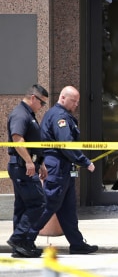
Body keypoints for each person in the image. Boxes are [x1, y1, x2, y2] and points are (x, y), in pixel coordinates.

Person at [27, 86, 98, 254]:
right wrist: (85, 162)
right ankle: (25, 239)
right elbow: (66, 144)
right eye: (74, 101)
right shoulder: (60, 117)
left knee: (68, 209)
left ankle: (77, 244)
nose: (76, 105)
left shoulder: (60, 115)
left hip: (63, 169)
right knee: (48, 206)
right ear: (63, 98)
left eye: (77, 101)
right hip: (57, 168)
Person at [6, 84, 49, 258]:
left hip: (27, 166)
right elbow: (18, 139)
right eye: (42, 103)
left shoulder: (28, 114)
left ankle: (22, 246)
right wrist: (29, 162)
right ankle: (18, 239)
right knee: (38, 203)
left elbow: (32, 144)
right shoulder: (20, 114)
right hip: (23, 168)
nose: (42, 107)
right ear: (33, 98)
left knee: (22, 207)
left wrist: (41, 164)